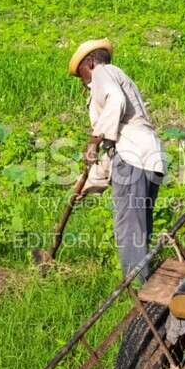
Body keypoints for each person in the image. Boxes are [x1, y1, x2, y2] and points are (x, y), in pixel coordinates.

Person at [69, 39, 165, 281]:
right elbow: (116, 152)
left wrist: (94, 140)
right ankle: (146, 286)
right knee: (139, 231)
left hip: (133, 158)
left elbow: (116, 102)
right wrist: (89, 185)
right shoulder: (118, 78)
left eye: (80, 73)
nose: (81, 80)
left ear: (89, 63)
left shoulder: (103, 73)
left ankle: (135, 290)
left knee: (129, 229)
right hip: (149, 158)